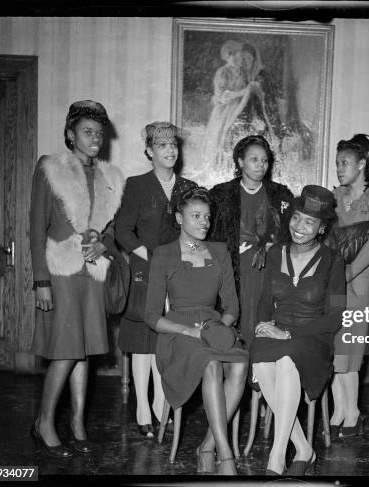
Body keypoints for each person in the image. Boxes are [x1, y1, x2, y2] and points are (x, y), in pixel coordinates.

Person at [30, 100, 125, 457]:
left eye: (99, 133)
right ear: (71, 135)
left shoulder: (110, 177)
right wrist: (41, 281)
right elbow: (36, 226)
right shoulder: (50, 168)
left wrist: (103, 243)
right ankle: (44, 423)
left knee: (84, 353)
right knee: (66, 351)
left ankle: (78, 425)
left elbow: (112, 233)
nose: (95, 138)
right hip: (61, 271)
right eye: (87, 132)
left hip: (93, 273)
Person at [145, 187, 248, 475]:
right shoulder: (164, 254)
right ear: (179, 218)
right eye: (196, 216)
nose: (204, 222)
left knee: (240, 364)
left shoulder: (219, 251)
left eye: (207, 216)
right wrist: (190, 332)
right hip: (178, 335)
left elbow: (231, 308)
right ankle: (225, 456)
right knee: (212, 364)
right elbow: (152, 316)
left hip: (214, 327)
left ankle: (207, 446)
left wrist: (218, 327)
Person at [250, 185, 346, 475]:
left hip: (312, 339)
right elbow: (266, 300)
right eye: (296, 218)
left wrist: (290, 335)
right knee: (261, 354)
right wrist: (262, 325)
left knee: (288, 358)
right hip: (278, 331)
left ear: (321, 227)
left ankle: (276, 458)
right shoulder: (277, 251)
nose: (299, 227)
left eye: (309, 222)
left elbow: (337, 316)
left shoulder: (332, 260)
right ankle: (304, 448)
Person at [115, 122, 197, 438]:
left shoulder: (188, 187)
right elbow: (123, 230)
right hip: (145, 271)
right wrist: (148, 256)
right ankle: (142, 410)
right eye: (162, 145)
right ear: (149, 151)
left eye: (173, 144)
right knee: (143, 342)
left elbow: (196, 231)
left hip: (177, 274)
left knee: (169, 341)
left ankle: (163, 406)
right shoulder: (136, 185)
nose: (170, 150)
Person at [330, 134, 369, 439]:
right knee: (333, 348)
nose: (339, 168)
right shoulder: (335, 196)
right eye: (337, 162)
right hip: (331, 281)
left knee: (350, 349)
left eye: (345, 162)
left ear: (362, 163)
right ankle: (338, 411)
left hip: (358, 281)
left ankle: (352, 412)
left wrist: (348, 273)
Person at [209, 134, 294, 348]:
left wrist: (272, 246)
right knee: (236, 328)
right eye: (254, 159)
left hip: (267, 274)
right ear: (240, 161)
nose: (261, 165)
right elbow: (205, 234)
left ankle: (259, 379)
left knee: (262, 325)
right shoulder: (221, 194)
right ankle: (237, 377)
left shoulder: (279, 194)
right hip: (232, 273)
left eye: (264, 160)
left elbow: (292, 234)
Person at [201, 40, 250, 171]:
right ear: (226, 57)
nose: (235, 57)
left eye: (237, 54)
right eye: (231, 55)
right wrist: (242, 92)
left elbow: (248, 91)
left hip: (238, 110)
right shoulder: (222, 72)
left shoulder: (243, 72)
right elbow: (222, 95)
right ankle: (218, 169)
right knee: (221, 138)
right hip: (224, 111)